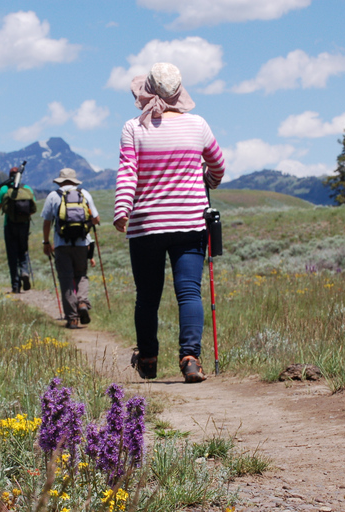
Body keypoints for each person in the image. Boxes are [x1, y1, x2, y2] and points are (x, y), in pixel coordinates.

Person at [113, 62, 226, 383]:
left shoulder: (133, 128)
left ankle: (148, 360)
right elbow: (218, 164)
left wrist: (122, 210)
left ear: (147, 91)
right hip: (190, 221)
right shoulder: (198, 125)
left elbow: (128, 173)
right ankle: (190, 358)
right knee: (189, 292)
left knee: (147, 295)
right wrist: (210, 179)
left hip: (146, 224)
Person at [41, 168, 101, 329]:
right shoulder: (85, 194)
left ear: (60, 181)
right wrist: (86, 225)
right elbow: (96, 219)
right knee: (81, 275)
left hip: (61, 245)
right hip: (82, 244)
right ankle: (82, 302)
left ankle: (72, 318)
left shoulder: (53, 196)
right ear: (74, 181)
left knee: (66, 279)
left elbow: (47, 222)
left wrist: (46, 242)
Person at [0, 167, 36, 293]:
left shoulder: (4, 189)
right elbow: (32, 209)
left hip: (9, 225)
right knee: (23, 251)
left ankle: (15, 286)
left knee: (12, 255)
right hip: (24, 225)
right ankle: (25, 272)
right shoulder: (27, 189)